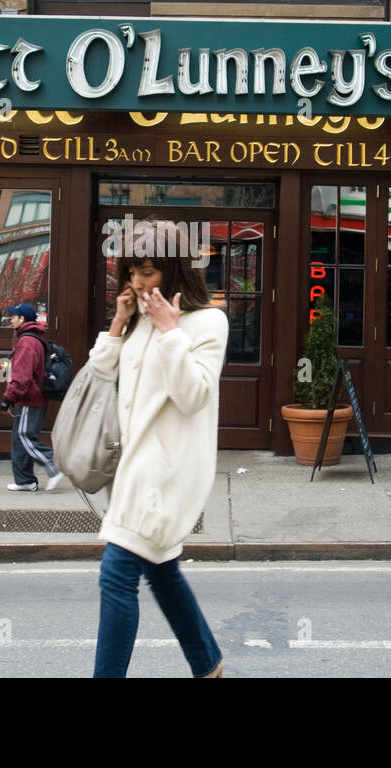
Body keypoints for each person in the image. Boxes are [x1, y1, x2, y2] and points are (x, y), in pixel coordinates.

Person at [87, 221, 229, 678]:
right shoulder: (140, 321)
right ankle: (208, 664)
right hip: (135, 468)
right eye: (131, 270)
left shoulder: (208, 322)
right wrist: (120, 322)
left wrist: (171, 331)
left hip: (167, 474)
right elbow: (100, 375)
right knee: (163, 572)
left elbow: (194, 395)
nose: (137, 282)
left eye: (148, 271)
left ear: (174, 269)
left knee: (117, 575)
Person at [1, 302, 64, 492]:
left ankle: (54, 466)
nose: (10, 319)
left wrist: (9, 397)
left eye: (13, 316)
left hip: (30, 398)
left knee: (24, 436)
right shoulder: (31, 339)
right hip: (32, 397)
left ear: (22, 319)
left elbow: (22, 375)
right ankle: (25, 480)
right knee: (19, 439)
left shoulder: (27, 342)